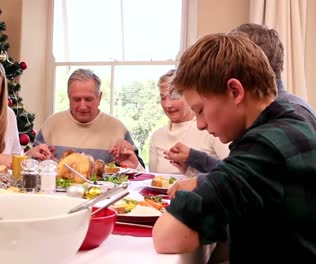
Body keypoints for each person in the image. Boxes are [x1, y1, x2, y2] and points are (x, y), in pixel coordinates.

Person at [152, 33, 316, 262]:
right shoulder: (292, 124)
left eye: (200, 109)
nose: (199, 124)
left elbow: (168, 236)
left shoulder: (265, 148)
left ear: (235, 92)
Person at [165, 23, 316, 192]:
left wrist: (201, 184)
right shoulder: (260, 124)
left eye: (200, 110)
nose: (200, 124)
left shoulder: (286, 123)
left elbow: (244, 175)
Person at [113, 70, 229, 174]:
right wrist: (136, 167)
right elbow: (155, 182)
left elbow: (234, 175)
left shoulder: (212, 130)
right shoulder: (157, 136)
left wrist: (192, 161)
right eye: (163, 98)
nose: (168, 104)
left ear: (189, 95)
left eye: (175, 96)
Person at [29, 68, 144, 167]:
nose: (82, 106)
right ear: (69, 97)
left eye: (88, 99)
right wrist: (33, 157)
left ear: (99, 98)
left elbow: (137, 170)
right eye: (77, 99)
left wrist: (128, 160)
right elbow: (33, 163)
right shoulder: (52, 123)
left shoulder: (117, 128)